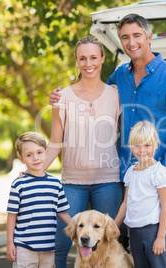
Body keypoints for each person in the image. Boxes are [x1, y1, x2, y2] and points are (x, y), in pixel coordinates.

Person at [50, 14, 166, 267]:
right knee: (136, 241)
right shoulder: (119, 77)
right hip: (131, 175)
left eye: (137, 35)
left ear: (149, 37)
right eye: (125, 37)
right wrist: (62, 94)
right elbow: (94, 89)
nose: (131, 42)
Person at [47, 36, 123, 267]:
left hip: (108, 181)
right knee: (60, 246)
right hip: (72, 182)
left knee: (109, 244)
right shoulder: (62, 98)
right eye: (82, 58)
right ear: (77, 61)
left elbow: (127, 138)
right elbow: (54, 142)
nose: (88, 63)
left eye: (93, 57)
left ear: (102, 59)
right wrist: (35, 169)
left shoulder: (115, 95)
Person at [6, 132, 72, 267]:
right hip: (24, 248)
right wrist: (10, 243)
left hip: (48, 248)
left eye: (39, 152)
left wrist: (78, 228)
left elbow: (62, 213)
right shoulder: (18, 184)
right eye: (29, 155)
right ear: (21, 159)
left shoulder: (55, 184)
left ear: (46, 152)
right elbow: (12, 216)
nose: (35, 158)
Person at [115, 121, 166, 268]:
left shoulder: (159, 172)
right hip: (133, 231)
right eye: (137, 145)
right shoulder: (130, 172)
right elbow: (125, 204)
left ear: (156, 144)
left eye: (147, 145)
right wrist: (113, 228)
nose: (142, 150)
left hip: (153, 231)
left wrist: (160, 237)